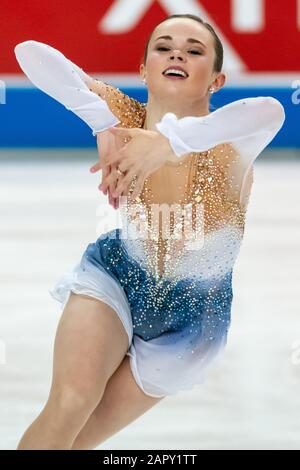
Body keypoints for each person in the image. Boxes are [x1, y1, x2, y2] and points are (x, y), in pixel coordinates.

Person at [14, 14, 285, 450]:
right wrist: (99, 120)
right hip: (117, 276)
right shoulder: (125, 117)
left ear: (216, 80)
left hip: (191, 327)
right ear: (144, 70)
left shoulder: (232, 143)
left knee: (80, 441)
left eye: (194, 50)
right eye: (163, 46)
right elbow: (29, 53)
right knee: (68, 404)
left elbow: (269, 112)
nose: (177, 52)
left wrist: (172, 142)